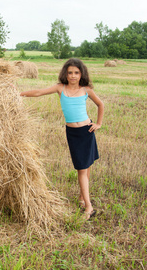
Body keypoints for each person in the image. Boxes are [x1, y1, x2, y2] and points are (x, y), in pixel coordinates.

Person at [20, 58, 104, 220]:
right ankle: (84, 199)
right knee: (82, 166)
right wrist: (19, 93)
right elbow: (38, 92)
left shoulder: (86, 90)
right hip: (73, 134)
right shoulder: (60, 88)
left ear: (82, 74)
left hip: (87, 131)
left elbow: (100, 104)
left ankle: (88, 206)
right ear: (65, 74)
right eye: (70, 72)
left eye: (76, 73)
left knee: (85, 167)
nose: (73, 76)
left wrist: (98, 123)